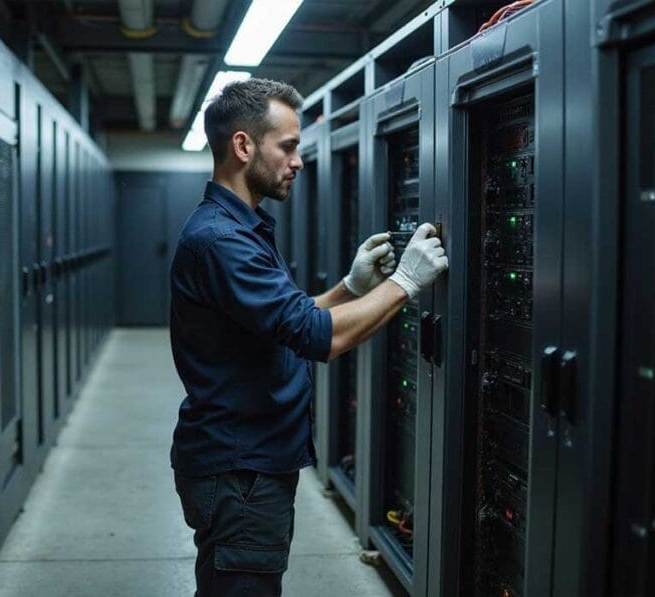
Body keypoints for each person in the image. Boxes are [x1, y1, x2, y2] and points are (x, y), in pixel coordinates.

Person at [169, 78, 448, 596]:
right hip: (241, 470)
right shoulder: (222, 239)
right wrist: (405, 283)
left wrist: (350, 287)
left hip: (245, 462)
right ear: (244, 146)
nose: (298, 161)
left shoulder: (240, 227)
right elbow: (320, 337)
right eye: (290, 146)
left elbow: (282, 322)